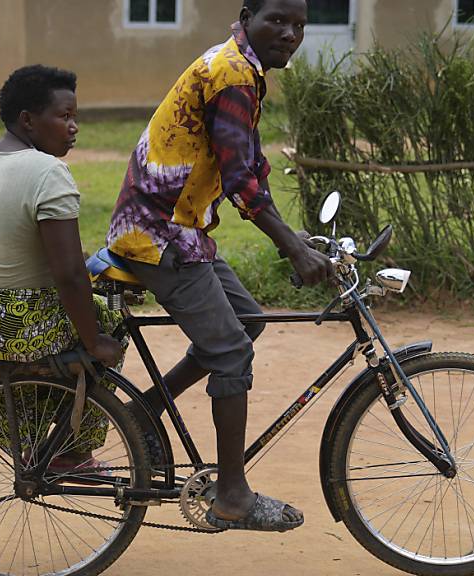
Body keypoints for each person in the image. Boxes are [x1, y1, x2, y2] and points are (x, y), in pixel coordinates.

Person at [106, 0, 331, 531]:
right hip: (159, 233)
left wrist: (290, 234)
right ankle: (232, 494)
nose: (290, 33)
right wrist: (292, 249)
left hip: (180, 228)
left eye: (299, 25)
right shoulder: (233, 73)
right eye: (278, 19)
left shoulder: (242, 67)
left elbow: (250, 164)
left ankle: (141, 414)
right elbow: (240, 183)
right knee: (230, 352)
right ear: (248, 15)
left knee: (246, 324)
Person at [0, 64, 125, 474]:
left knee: (46, 331)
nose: (73, 127)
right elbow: (68, 274)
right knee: (108, 326)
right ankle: (72, 451)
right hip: (17, 329)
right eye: (64, 116)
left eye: (75, 117)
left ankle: (25, 440)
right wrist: (95, 340)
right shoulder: (49, 173)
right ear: (28, 120)